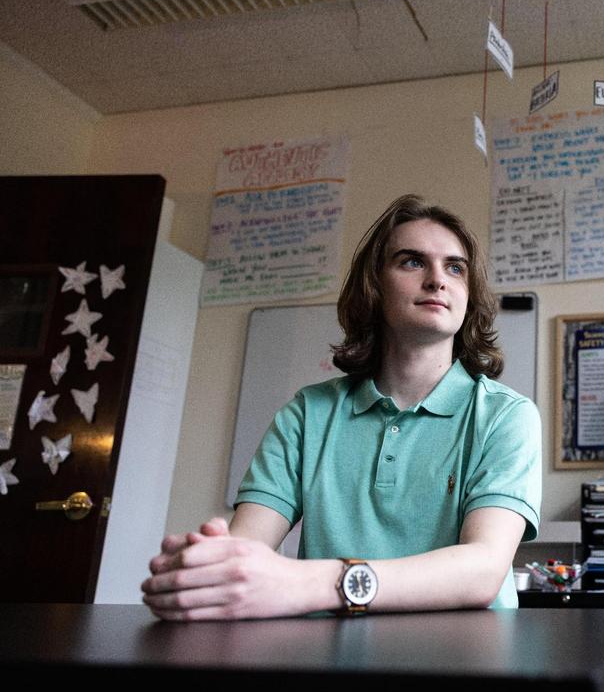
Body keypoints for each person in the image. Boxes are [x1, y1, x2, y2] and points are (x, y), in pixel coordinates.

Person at [142, 194, 541, 620]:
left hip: (467, 669)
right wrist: (207, 572)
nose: (437, 280)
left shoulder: (506, 416)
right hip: (329, 666)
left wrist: (316, 583)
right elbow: (248, 552)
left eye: (455, 267)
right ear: (374, 286)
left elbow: (481, 571)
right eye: (411, 262)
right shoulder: (308, 413)